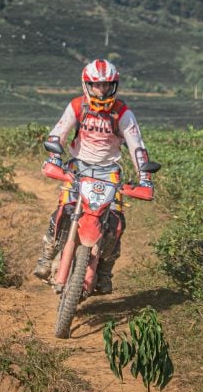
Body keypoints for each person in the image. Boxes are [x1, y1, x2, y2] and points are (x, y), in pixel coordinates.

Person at [33, 59, 155, 294]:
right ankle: (47, 256)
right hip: (78, 167)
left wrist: (145, 178)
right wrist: (54, 159)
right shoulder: (77, 106)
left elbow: (137, 147)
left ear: (114, 86)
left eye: (107, 85)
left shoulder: (123, 113)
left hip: (109, 172)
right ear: (87, 85)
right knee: (63, 210)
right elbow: (57, 135)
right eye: (96, 85)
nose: (101, 90)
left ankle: (106, 269)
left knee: (116, 222)